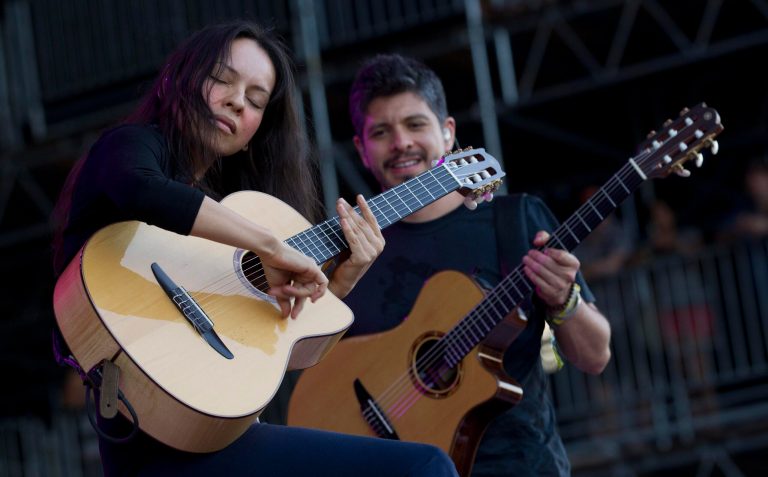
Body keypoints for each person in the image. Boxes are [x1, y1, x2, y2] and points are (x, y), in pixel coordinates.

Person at [50, 22, 458, 477]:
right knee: (425, 466)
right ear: (176, 79)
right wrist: (272, 247)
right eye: (222, 79)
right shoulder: (130, 147)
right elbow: (141, 188)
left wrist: (342, 278)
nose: (237, 100)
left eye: (257, 100)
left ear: (256, 131)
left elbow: (272, 351)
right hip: (155, 449)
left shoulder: (227, 224)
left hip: (211, 434)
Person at [341, 53, 612, 476]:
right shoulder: (351, 255)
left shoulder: (515, 220)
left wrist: (565, 300)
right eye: (381, 132)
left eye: (415, 124)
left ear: (448, 133)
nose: (401, 144)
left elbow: (595, 356)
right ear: (361, 150)